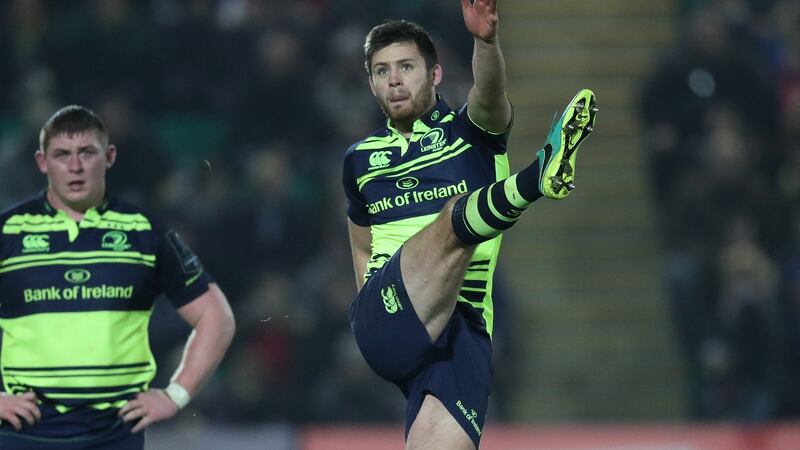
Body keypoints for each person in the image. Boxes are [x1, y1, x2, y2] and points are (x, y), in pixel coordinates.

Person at [342, 1, 597, 448]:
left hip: (462, 332)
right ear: (371, 84)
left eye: (406, 66)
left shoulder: (469, 134)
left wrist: (486, 40)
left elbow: (491, 95)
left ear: (435, 74)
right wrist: (372, 293)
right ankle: (537, 177)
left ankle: (535, 177)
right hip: (389, 311)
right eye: (382, 72)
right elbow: (361, 243)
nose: (395, 80)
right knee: (453, 218)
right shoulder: (360, 160)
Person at [0, 105, 236, 449]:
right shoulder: (7, 233)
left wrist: (175, 394)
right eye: (62, 155)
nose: (75, 167)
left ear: (109, 156)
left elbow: (217, 317)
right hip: (24, 436)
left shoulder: (146, 232)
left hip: (113, 438)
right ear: (41, 162)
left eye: (87, 153)